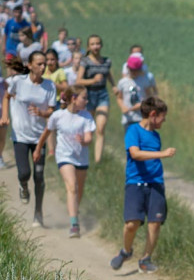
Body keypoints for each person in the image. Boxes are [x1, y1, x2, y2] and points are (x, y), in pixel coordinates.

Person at [110, 96, 175, 274]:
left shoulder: (156, 136)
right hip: (135, 183)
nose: (164, 120)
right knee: (132, 223)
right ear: (153, 114)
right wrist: (162, 154)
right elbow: (136, 154)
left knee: (155, 222)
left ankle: (145, 259)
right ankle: (126, 251)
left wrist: (160, 154)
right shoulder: (133, 131)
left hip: (156, 183)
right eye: (163, 117)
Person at [1, 52, 57, 226]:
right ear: (30, 65)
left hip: (39, 136)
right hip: (20, 136)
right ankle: (23, 186)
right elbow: (7, 96)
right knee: (24, 173)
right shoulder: (18, 82)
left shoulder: (49, 86)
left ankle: (38, 213)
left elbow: (51, 110)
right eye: (39, 64)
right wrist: (5, 116)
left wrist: (42, 113)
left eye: (44, 64)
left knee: (39, 176)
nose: (43, 67)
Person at [33, 86, 95, 237]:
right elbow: (46, 133)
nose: (86, 101)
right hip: (64, 156)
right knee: (72, 186)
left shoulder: (86, 116)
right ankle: (74, 224)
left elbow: (88, 138)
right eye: (84, 98)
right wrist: (38, 149)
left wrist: (83, 141)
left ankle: (74, 210)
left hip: (81, 157)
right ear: (74, 98)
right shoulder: (58, 116)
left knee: (78, 190)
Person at [75, 34, 115, 161]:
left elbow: (108, 74)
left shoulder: (107, 61)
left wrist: (114, 86)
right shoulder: (85, 61)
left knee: (101, 127)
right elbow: (79, 80)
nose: (95, 46)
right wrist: (92, 80)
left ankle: (98, 160)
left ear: (101, 45)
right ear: (88, 46)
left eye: (97, 43)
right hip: (89, 95)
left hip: (102, 94)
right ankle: (84, 154)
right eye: (92, 44)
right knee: (89, 128)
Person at [116, 53, 153, 128]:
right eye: (132, 70)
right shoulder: (122, 82)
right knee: (131, 138)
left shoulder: (144, 81)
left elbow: (149, 97)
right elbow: (119, 98)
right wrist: (123, 107)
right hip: (128, 118)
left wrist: (142, 104)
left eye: (136, 70)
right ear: (128, 68)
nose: (134, 72)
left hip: (142, 117)